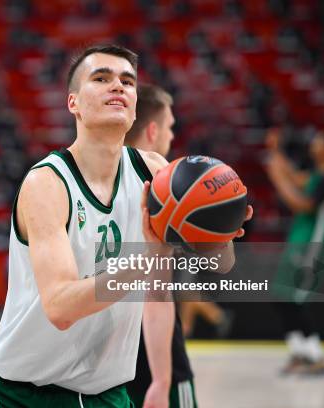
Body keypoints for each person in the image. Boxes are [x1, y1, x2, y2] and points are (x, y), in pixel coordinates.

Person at [0, 45, 250, 407]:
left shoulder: (155, 173)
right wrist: (147, 261)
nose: (117, 86)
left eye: (127, 81)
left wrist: (220, 230)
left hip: (107, 393)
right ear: (73, 102)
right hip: (24, 393)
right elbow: (60, 308)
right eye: (101, 78)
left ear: (135, 104)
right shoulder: (47, 184)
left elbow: (220, 264)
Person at [123, 84, 196, 407]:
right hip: (156, 354)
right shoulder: (170, 192)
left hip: (105, 363)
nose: (171, 136)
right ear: (153, 131)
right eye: (169, 127)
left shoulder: (91, 183)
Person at [265, 128, 324, 375]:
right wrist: (275, 151)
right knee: (281, 297)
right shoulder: (317, 176)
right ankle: (300, 353)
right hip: (300, 242)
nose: (313, 143)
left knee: (295, 299)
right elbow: (295, 176)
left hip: (314, 247)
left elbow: (303, 205)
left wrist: (277, 178)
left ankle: (316, 356)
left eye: (320, 140)